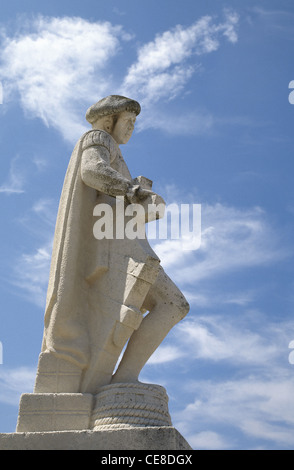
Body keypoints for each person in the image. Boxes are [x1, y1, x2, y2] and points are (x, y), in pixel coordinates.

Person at [34, 95, 189, 394]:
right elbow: (91, 171)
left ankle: (122, 379)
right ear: (111, 119)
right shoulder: (97, 137)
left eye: (134, 123)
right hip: (112, 248)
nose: (131, 128)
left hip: (119, 243)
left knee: (173, 305)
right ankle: (121, 380)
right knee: (173, 304)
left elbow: (113, 205)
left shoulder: (115, 150)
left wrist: (143, 203)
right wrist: (133, 192)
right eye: (129, 121)